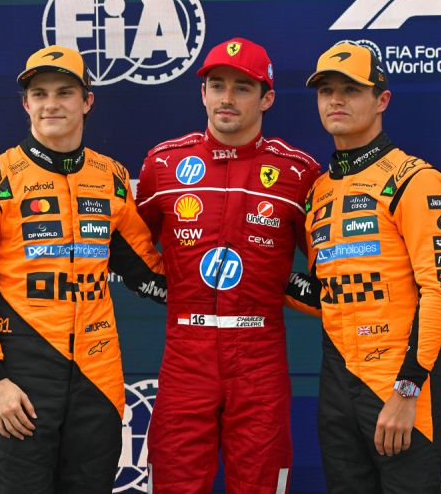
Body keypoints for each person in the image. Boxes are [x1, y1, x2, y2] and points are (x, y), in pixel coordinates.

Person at [0, 45, 166, 494]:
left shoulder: (111, 177)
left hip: (98, 377)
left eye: (64, 92)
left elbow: (146, 272)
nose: (51, 104)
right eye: (39, 94)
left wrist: (228, 283)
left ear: (87, 101)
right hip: (22, 377)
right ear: (25, 104)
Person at [135, 37, 320, 494]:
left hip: (259, 352)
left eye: (243, 87)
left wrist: (274, 284)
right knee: (175, 482)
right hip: (186, 351)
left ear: (267, 98)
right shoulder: (164, 163)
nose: (227, 98)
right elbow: (130, 251)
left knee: (260, 483)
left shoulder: (298, 172)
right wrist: (169, 288)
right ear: (203, 93)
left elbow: (327, 269)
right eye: (217, 85)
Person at [287, 41, 441, 493]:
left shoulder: (415, 179)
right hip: (337, 384)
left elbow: (439, 293)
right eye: (326, 91)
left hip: (399, 384)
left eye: (351, 90)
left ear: (381, 100)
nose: (336, 100)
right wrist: (263, 279)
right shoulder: (318, 191)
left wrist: (407, 391)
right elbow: (328, 294)